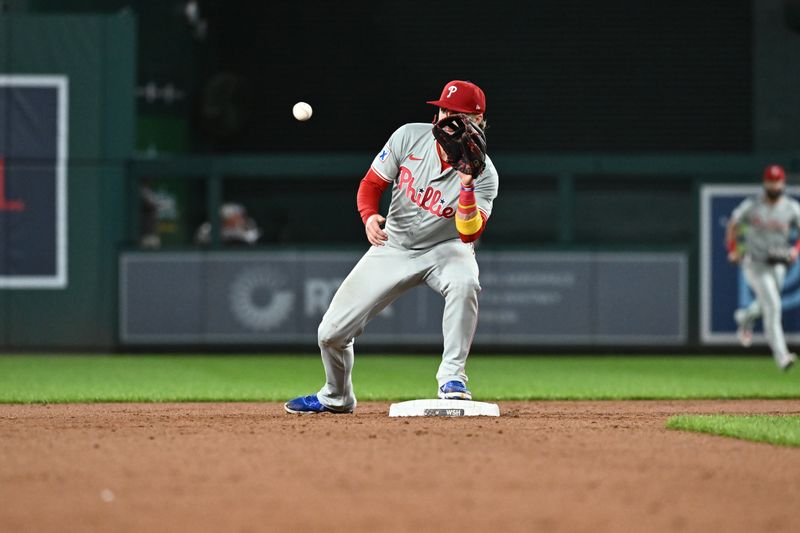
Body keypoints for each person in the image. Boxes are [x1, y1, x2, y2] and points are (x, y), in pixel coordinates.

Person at [285, 80, 499, 413]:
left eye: (457, 114)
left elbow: (469, 233)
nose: (446, 119)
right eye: (443, 110)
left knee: (465, 281)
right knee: (330, 333)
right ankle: (337, 396)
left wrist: (467, 185)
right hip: (394, 245)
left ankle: (452, 378)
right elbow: (371, 184)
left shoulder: (485, 175)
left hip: (446, 248)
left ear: (478, 121)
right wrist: (369, 216)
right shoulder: (408, 137)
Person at [727, 164, 799, 371]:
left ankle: (744, 317)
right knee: (773, 307)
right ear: (764, 182)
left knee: (765, 304)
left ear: (783, 182)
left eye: (777, 181)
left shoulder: (792, 208)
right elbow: (734, 224)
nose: (774, 184)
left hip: (779, 265)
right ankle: (782, 357)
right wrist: (733, 248)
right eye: (771, 180)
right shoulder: (753, 205)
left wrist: (796, 250)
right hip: (755, 264)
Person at [195, 202, 261, 246]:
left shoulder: (248, 225)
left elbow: (252, 240)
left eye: (240, 216)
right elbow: (201, 241)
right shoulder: (208, 228)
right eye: (235, 217)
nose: (240, 219)